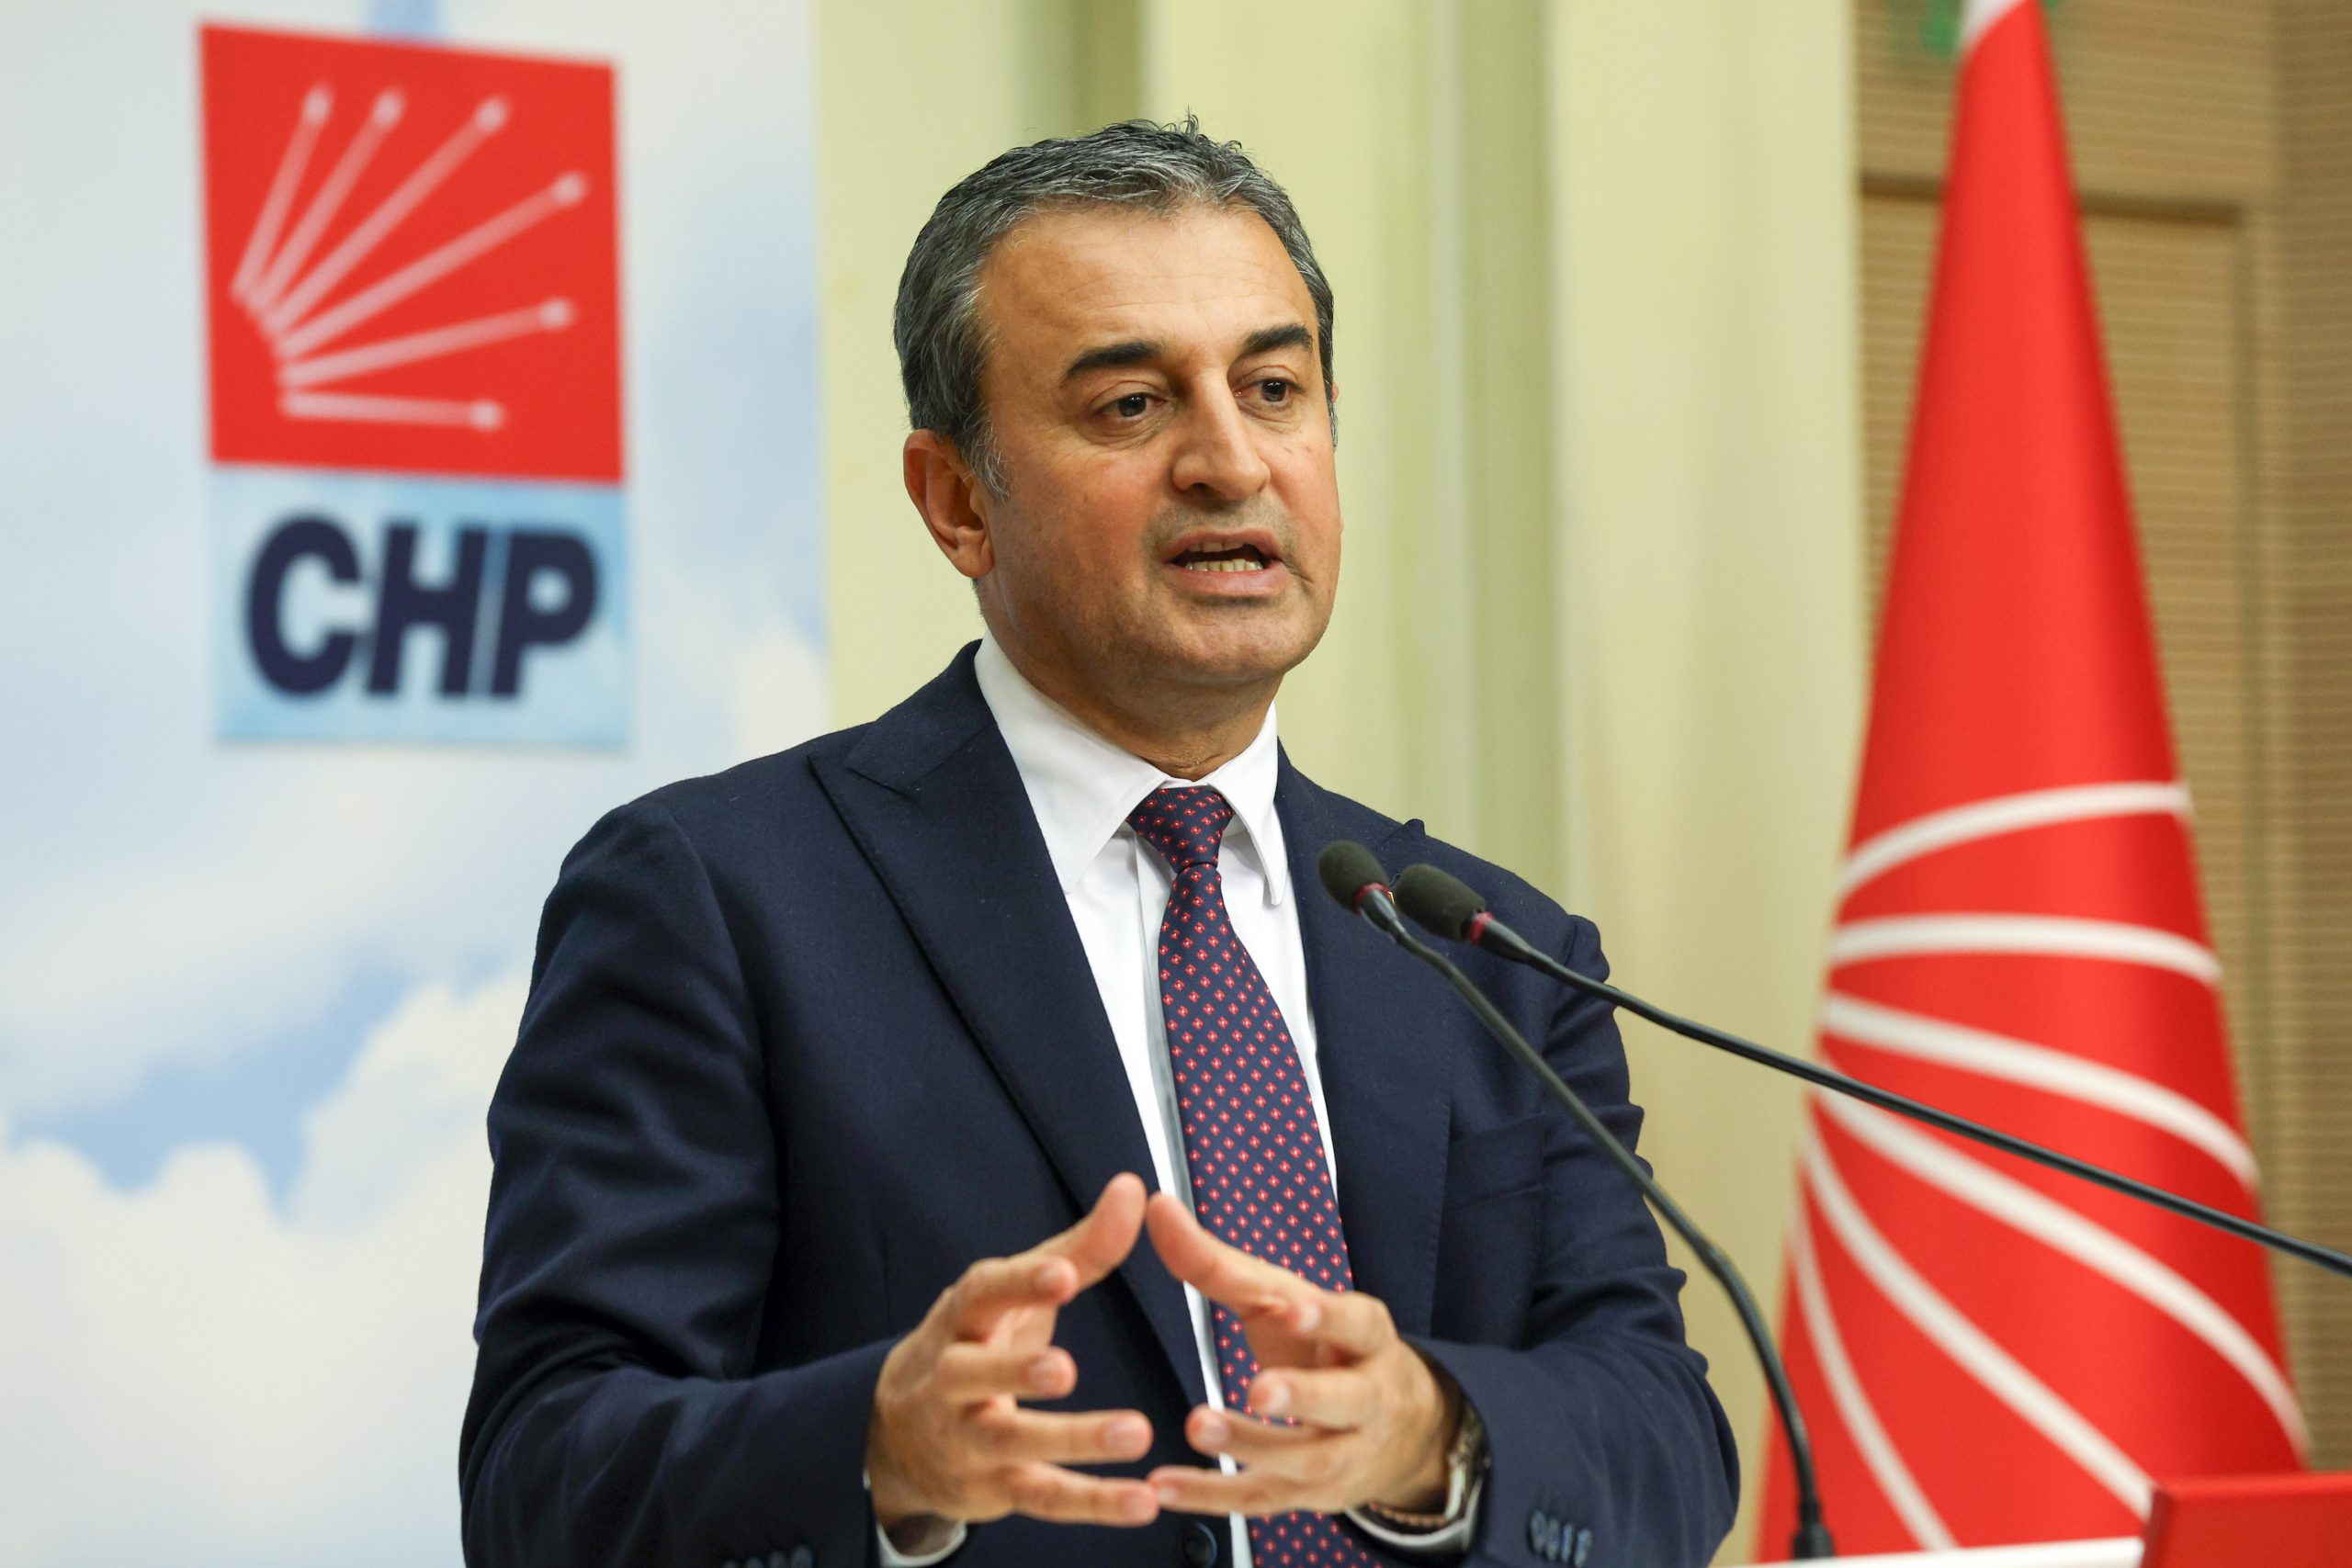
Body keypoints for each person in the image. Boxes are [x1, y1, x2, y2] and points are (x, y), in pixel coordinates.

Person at [460, 119, 1737, 1568]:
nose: (1230, 461)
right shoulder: (720, 901)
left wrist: (1434, 1433)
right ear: (958, 502)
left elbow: (1665, 1441)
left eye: (1275, 388)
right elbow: (541, 1481)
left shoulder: (1489, 955)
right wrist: (875, 1452)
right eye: (1132, 405)